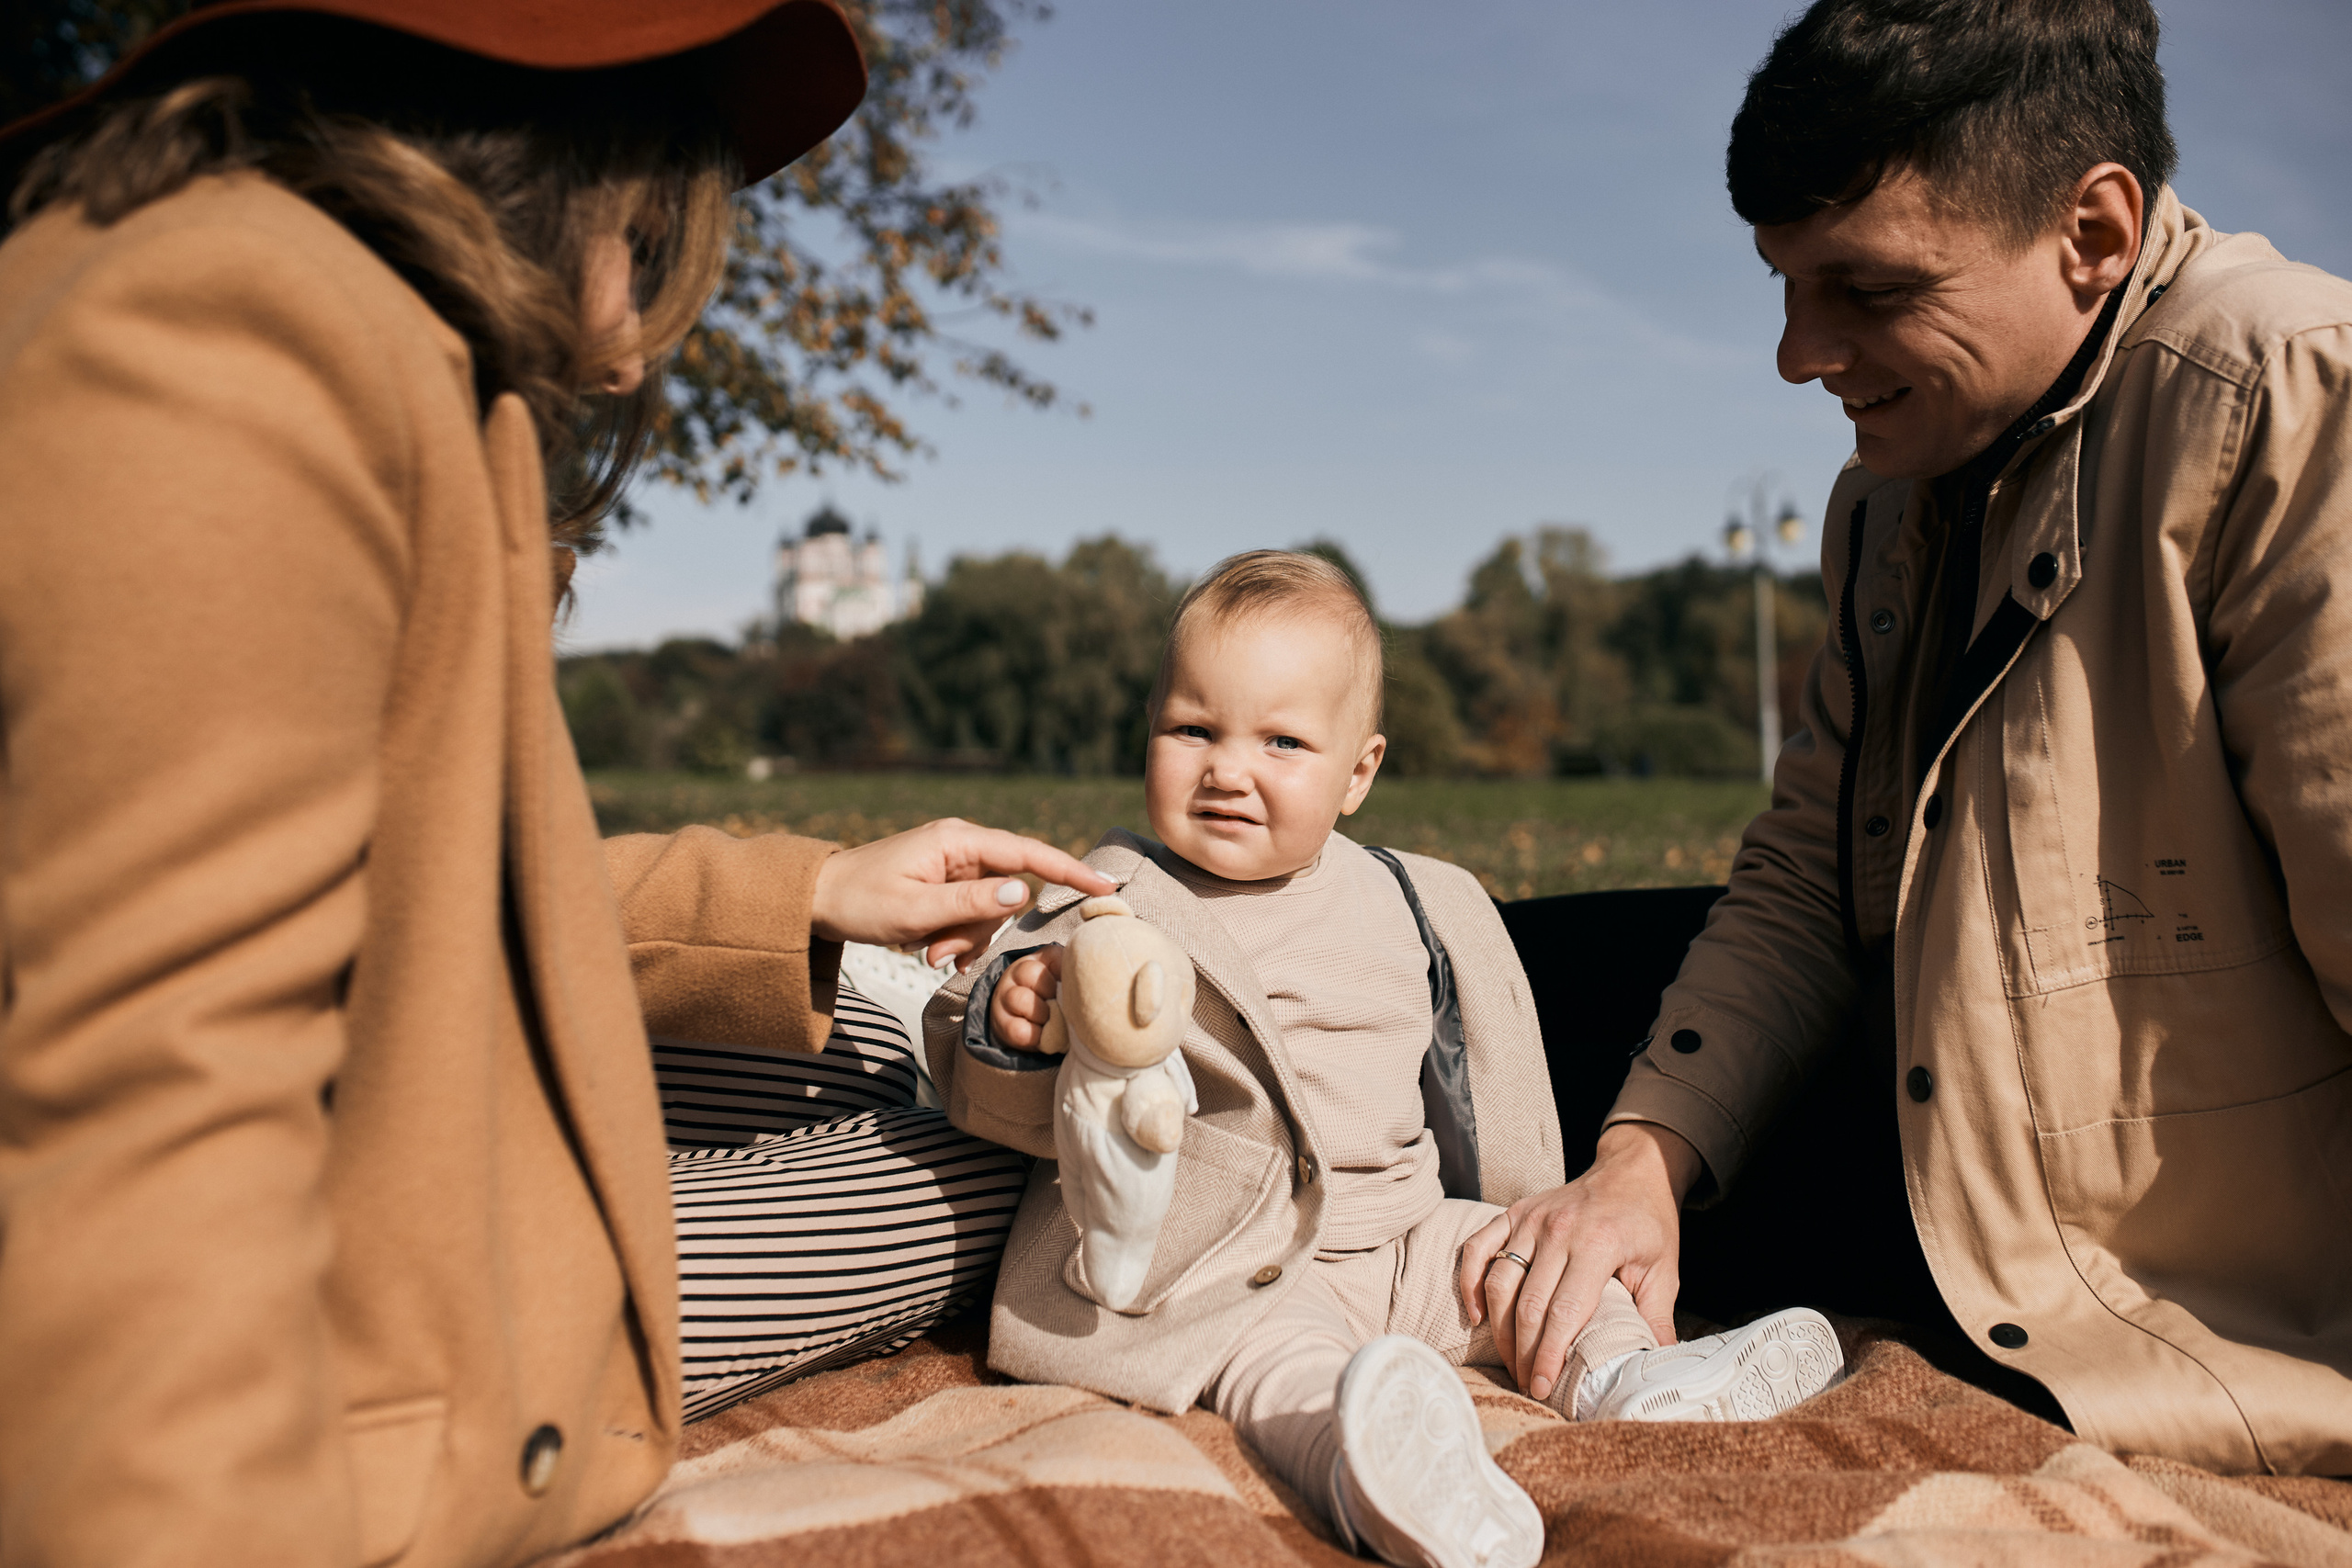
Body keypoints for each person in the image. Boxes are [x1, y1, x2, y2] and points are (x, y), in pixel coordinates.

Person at [0, 5, 1115, 1564]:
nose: (672, 286)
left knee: (877, 1037)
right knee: (998, 1165)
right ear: (591, 139)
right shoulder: (235, 336)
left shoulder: (307, 315)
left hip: (353, 1141)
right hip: (333, 1368)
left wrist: (804, 895)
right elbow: (141, 1146)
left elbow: (378, 875)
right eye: (695, 171)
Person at [1523, 0, 2352, 1478]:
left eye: (1866, 287)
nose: (1797, 353)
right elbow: (1798, 882)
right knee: (1482, 975)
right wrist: (1639, 1164)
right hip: (1925, 1092)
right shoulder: (1884, 499)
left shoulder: (2284, 394)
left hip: (2159, 1257)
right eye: (1783, 286)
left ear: (2092, 234)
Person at [925, 552, 1845, 1568]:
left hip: (1407, 1237)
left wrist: (1518, 1199)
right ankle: (1369, 1465)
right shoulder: (1104, 896)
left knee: (1526, 1261)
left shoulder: (1411, 901)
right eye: (1193, 730)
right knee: (1275, 1367)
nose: (1228, 768)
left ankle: (1629, 1379)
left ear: (1357, 773)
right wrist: (1018, 1020)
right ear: (1147, 732)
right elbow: (981, 1057)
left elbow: (1480, 1073)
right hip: (1227, 1266)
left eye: (1281, 741)